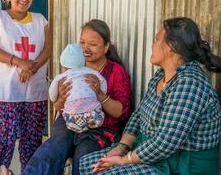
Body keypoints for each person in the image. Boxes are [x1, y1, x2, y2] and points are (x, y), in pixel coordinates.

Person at [79, 17, 221, 175]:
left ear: (171, 46)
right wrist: (121, 148)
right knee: (87, 164)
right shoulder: (161, 76)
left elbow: (165, 143)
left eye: (156, 39)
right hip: (154, 156)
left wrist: (123, 160)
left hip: (181, 165)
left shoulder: (190, 84)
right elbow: (138, 116)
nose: (152, 45)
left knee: (108, 172)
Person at [23, 19, 132, 175]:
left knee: (83, 157)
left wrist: (100, 94)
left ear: (106, 47)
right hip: (69, 122)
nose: (85, 48)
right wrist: (60, 99)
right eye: (82, 42)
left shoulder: (116, 71)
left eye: (92, 44)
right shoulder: (73, 67)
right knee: (54, 147)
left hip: (100, 128)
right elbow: (59, 107)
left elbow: (119, 113)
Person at [0, 0, 51, 174]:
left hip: (34, 86)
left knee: (32, 135)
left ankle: (30, 170)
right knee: (5, 134)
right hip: (6, 88)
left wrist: (32, 68)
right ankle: (0, 169)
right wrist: (20, 63)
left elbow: (47, 49)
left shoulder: (40, 20)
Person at [49, 44, 107, 133]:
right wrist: (100, 93)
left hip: (73, 117)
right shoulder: (91, 72)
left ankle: (77, 130)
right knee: (95, 123)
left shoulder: (61, 77)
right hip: (93, 113)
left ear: (63, 65)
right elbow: (103, 82)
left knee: (67, 129)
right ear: (83, 61)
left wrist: (54, 98)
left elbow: (52, 93)